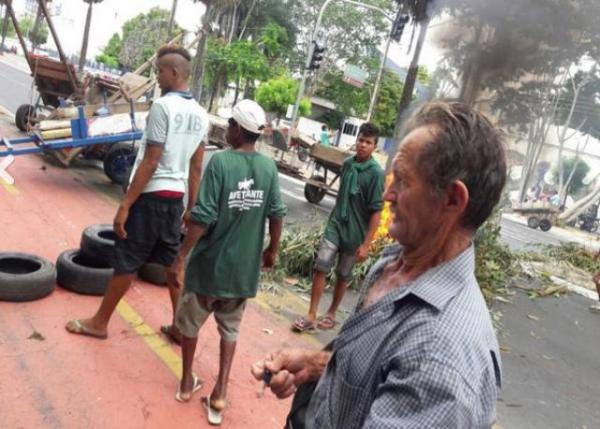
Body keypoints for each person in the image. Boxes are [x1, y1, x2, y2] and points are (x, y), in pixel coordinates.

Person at [253, 101, 505, 428]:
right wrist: (315, 365)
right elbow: (371, 366)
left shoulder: (439, 358)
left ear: (453, 200)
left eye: (401, 180)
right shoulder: (392, 265)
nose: (388, 197)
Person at [66, 45, 209, 340]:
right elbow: (196, 168)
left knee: (127, 260)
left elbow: (151, 161)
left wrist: (126, 204)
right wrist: (191, 207)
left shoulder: (163, 107)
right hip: (175, 200)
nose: (157, 77)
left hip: (151, 197)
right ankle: (182, 329)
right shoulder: (201, 114)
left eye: (159, 72)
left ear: (174, 73)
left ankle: (100, 323)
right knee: (172, 265)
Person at [168, 99, 287, 425]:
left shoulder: (220, 163)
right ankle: (220, 394)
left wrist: (181, 256)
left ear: (237, 129)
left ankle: (185, 382)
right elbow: (277, 213)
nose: (227, 130)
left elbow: (203, 216)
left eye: (229, 125)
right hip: (242, 273)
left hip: (208, 267)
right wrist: (271, 251)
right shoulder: (268, 168)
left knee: (190, 323)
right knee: (230, 330)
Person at [293, 123, 384, 332]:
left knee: (343, 274)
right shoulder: (348, 164)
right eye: (361, 140)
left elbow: (377, 211)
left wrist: (367, 244)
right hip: (336, 224)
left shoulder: (376, 174)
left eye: (368, 143)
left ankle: (332, 313)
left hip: (355, 232)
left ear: (374, 147)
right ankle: (311, 313)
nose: (363, 145)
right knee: (321, 265)